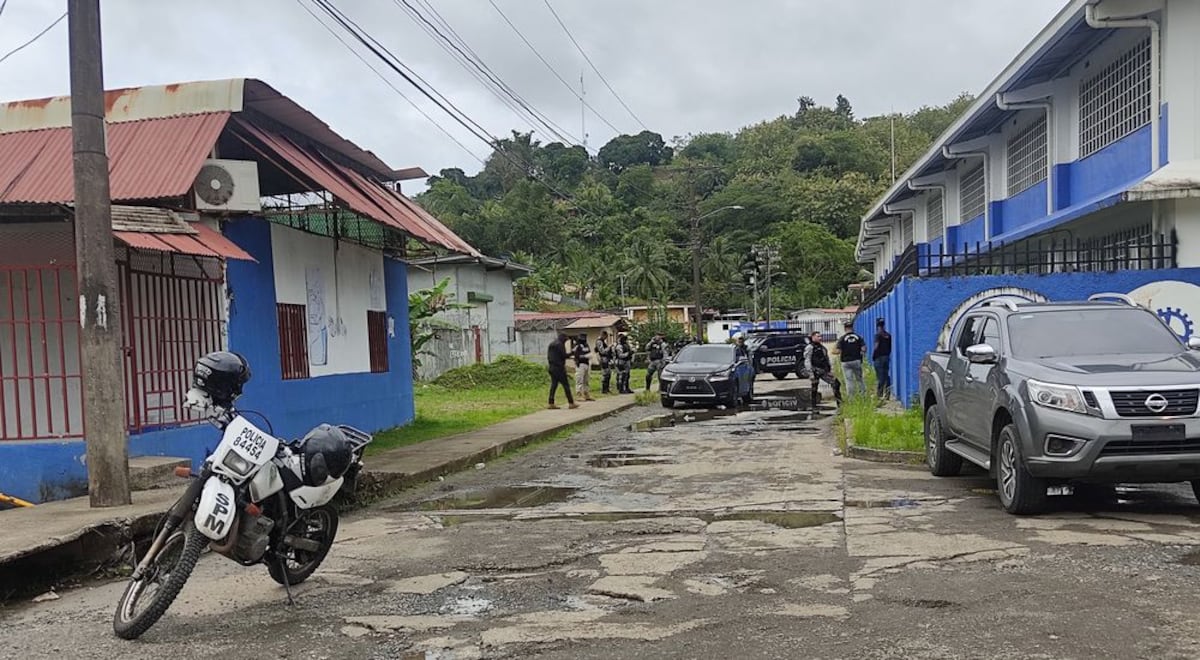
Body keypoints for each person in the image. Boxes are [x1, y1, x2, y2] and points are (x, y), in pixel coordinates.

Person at [804, 330, 842, 408]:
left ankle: (839, 403)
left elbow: (826, 359)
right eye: (818, 336)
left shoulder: (822, 347)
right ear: (813, 337)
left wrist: (830, 370)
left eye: (820, 336)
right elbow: (807, 360)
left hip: (823, 370)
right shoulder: (810, 347)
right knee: (814, 387)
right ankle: (813, 405)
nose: (820, 338)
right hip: (815, 370)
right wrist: (810, 373)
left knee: (836, 383)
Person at [546, 332, 578, 410]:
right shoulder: (560, 344)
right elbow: (564, 356)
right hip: (559, 368)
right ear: (563, 338)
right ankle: (571, 403)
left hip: (551, 367)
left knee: (553, 385)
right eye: (566, 340)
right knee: (566, 385)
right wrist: (572, 352)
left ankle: (551, 402)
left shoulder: (552, 344)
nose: (566, 341)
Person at [836, 321, 866, 397]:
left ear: (845, 329)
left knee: (849, 381)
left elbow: (838, 351)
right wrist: (861, 354)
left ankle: (851, 398)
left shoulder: (842, 339)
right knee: (859, 379)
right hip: (856, 360)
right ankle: (863, 395)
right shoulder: (859, 337)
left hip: (845, 362)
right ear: (852, 328)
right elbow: (864, 348)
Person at [873, 318, 893, 401]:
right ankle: (887, 393)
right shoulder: (888, 335)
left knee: (880, 376)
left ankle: (879, 394)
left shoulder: (878, 335)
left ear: (877, 326)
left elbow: (876, 346)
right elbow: (889, 347)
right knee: (886, 375)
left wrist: (873, 355)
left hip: (878, 357)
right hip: (886, 357)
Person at [572, 333, 594, 402]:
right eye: (582, 337)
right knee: (579, 380)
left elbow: (589, 352)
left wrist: (589, 356)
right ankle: (579, 394)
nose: (583, 339)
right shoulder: (577, 345)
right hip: (580, 364)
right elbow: (576, 355)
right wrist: (585, 356)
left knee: (586, 380)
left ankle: (586, 393)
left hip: (587, 363)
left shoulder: (586, 345)